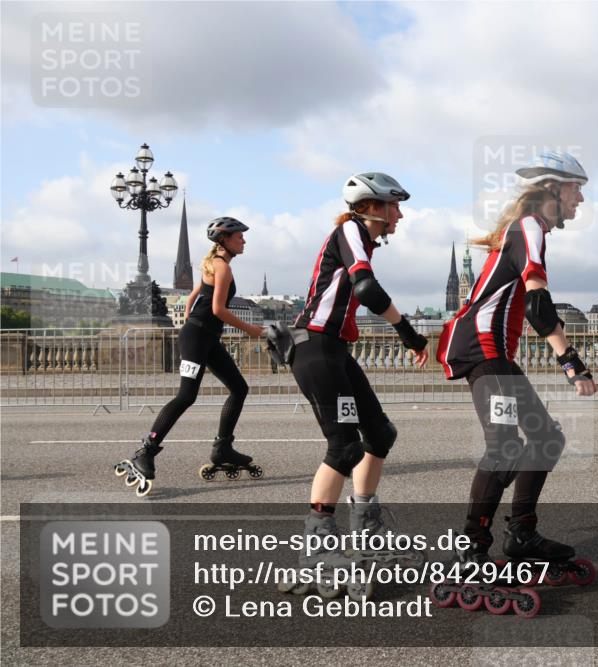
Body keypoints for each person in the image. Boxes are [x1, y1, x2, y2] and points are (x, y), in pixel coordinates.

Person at [437, 150, 598, 568]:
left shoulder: (529, 228)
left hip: (495, 353)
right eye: (576, 189)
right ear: (553, 189)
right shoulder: (529, 226)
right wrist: (572, 365)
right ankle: (472, 547)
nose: (580, 199)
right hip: (481, 348)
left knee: (546, 439)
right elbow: (538, 306)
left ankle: (522, 532)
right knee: (505, 448)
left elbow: (535, 302)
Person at [289, 172, 429, 579]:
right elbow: (366, 287)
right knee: (345, 448)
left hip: (335, 350)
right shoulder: (350, 230)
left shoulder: (362, 240)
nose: (400, 215)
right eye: (395, 206)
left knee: (380, 435)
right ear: (373, 208)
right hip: (314, 347)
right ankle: (316, 548)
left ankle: (365, 527)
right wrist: (408, 332)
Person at [114, 217, 266, 496]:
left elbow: (192, 298)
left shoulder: (215, 264)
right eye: (239, 236)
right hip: (198, 338)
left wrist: (192, 322)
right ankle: (146, 451)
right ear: (224, 240)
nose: (243, 240)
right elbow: (219, 309)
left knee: (239, 388)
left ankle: (223, 448)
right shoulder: (221, 267)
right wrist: (250, 330)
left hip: (204, 337)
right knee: (186, 396)